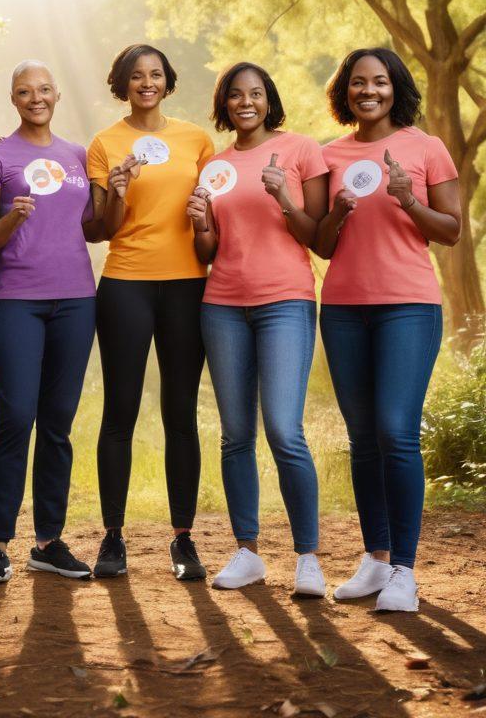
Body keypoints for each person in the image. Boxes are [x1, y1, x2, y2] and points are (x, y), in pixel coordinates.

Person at [315, 48, 460, 613]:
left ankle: (404, 569)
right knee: (363, 438)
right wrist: (338, 214)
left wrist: (407, 199)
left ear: (395, 88)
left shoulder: (426, 148)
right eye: (357, 82)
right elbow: (322, 246)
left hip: (408, 306)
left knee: (396, 431)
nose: (367, 91)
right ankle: (375, 560)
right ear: (344, 91)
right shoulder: (328, 156)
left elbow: (449, 230)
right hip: (345, 308)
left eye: (378, 82)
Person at [189, 62, 329, 594]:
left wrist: (283, 197)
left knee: (284, 431)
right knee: (236, 436)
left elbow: (317, 235)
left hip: (285, 302)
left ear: (269, 99)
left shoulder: (299, 151)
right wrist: (201, 220)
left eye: (255, 93)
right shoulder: (215, 166)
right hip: (222, 304)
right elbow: (208, 252)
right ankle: (247, 551)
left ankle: (308, 558)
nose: (245, 102)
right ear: (224, 104)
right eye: (235, 95)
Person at [86, 44, 215, 582]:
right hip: (125, 285)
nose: (146, 82)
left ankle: (184, 540)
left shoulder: (197, 140)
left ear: (167, 81)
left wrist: (205, 217)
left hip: (188, 285)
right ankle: (113, 539)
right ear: (122, 83)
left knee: (180, 413)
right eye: (136, 75)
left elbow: (210, 229)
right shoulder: (105, 143)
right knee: (120, 411)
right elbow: (99, 229)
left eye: (155, 74)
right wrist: (116, 190)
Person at [0, 61, 97, 584]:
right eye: (25, 90)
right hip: (15, 300)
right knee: (17, 417)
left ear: (57, 94)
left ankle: (48, 542)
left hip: (76, 299)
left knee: (58, 423)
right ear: (13, 98)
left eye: (44, 89)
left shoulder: (78, 156)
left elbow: (93, 227)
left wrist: (123, 191)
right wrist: (12, 218)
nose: (36, 97)